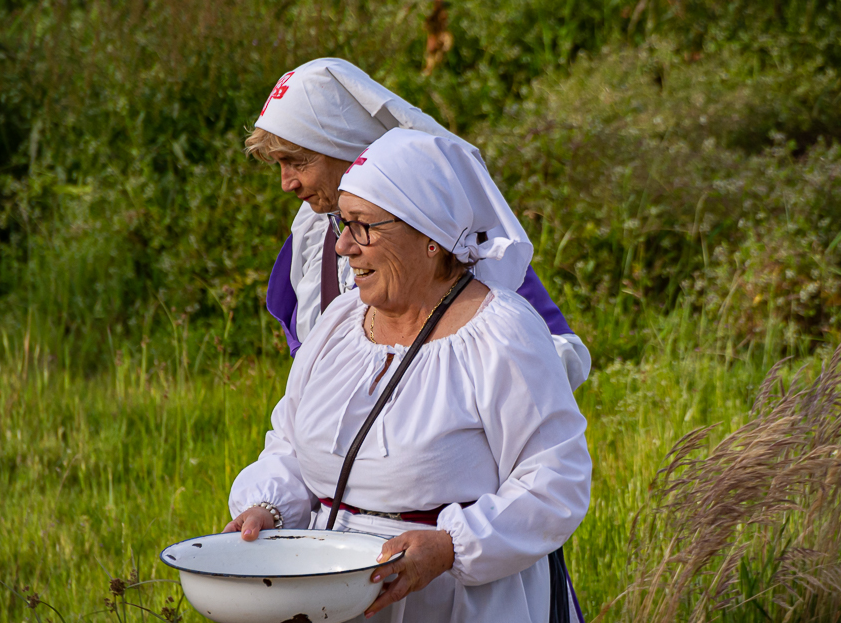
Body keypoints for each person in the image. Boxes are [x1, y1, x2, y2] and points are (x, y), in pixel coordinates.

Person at [224, 128, 628, 623]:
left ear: (430, 235)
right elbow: (291, 443)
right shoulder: (339, 325)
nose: (343, 245)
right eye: (342, 224)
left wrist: (450, 546)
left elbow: (557, 481)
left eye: (362, 226)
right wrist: (268, 507)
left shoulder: (501, 335)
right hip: (329, 618)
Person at [247, 57, 591, 390]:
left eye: (298, 162)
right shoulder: (313, 232)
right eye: (279, 165)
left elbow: (555, 358)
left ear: (343, 143)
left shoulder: (446, 230)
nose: (287, 183)